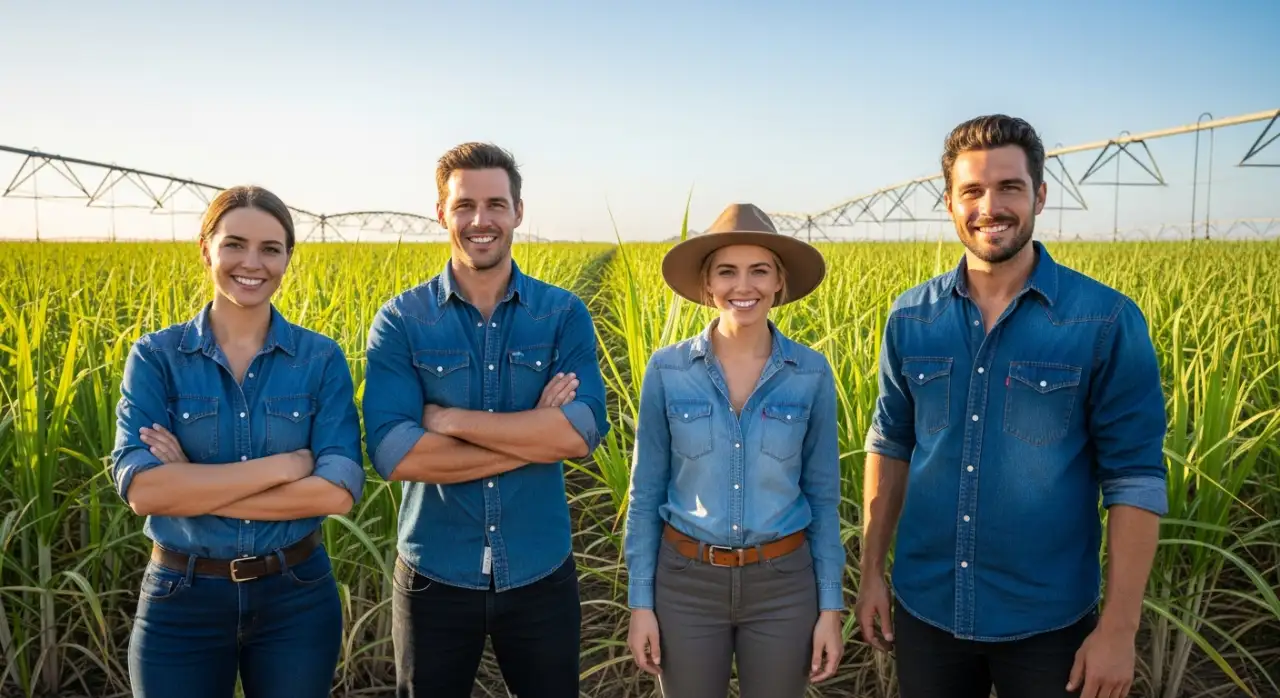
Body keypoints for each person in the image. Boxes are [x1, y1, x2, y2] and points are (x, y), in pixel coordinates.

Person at [855, 114, 1169, 698]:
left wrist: (1120, 630)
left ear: (1040, 195)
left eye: (1009, 188)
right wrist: (872, 572)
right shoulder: (910, 319)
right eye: (972, 190)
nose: (989, 207)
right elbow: (891, 444)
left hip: (1050, 623)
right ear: (949, 202)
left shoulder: (1102, 321)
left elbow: (1135, 479)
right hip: (927, 608)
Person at [361, 141, 610, 698]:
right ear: (441, 212)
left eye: (496, 204)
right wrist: (534, 435)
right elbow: (396, 454)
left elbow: (581, 430)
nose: (481, 220)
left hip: (540, 570)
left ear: (518, 212)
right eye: (465, 205)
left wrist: (449, 419)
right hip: (434, 575)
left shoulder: (562, 313)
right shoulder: (402, 320)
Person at [109, 185, 366, 698]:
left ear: (288, 258)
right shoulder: (157, 357)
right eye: (234, 244)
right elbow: (145, 493)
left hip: (296, 598)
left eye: (271, 248)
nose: (252, 262)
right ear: (206, 249)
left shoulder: (319, 359)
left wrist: (192, 482)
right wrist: (287, 465)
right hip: (181, 599)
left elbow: (336, 493)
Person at [623, 202, 846, 698]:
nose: (742, 286)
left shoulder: (811, 373)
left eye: (758, 271)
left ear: (778, 283)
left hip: (783, 586)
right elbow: (644, 494)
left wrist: (831, 608)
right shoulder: (667, 370)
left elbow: (824, 498)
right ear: (707, 284)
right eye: (727, 271)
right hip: (685, 584)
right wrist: (641, 603)